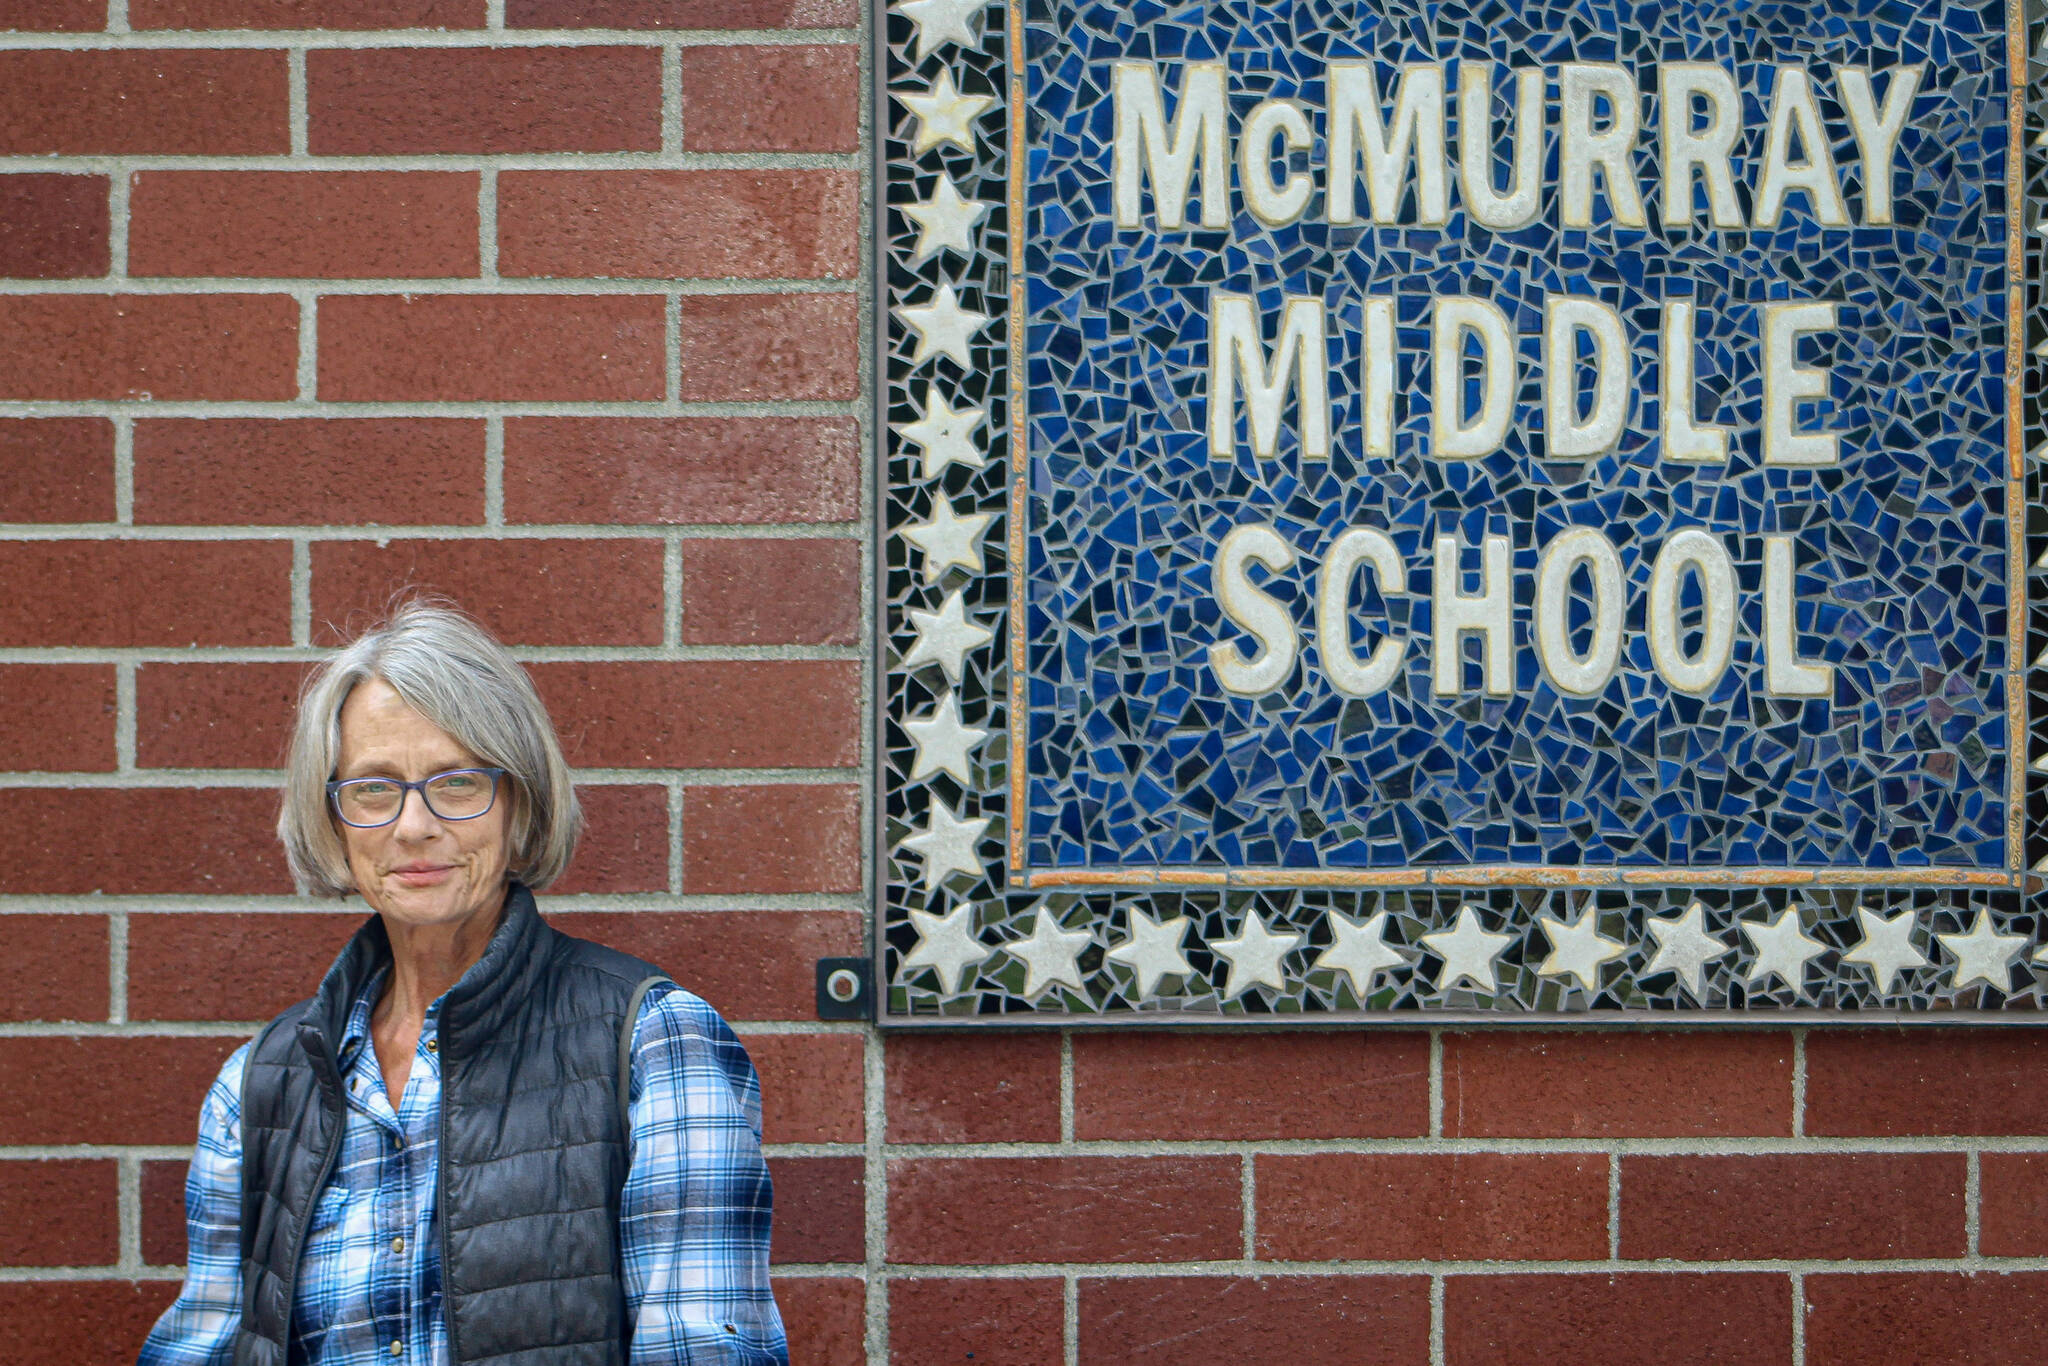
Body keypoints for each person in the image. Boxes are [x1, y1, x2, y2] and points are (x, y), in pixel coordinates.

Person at [138, 600, 788, 1365]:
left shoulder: (653, 1043)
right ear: (335, 823)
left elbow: (701, 1350)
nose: (414, 826)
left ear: (517, 804)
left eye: (455, 782)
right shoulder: (259, 1086)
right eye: (374, 789)